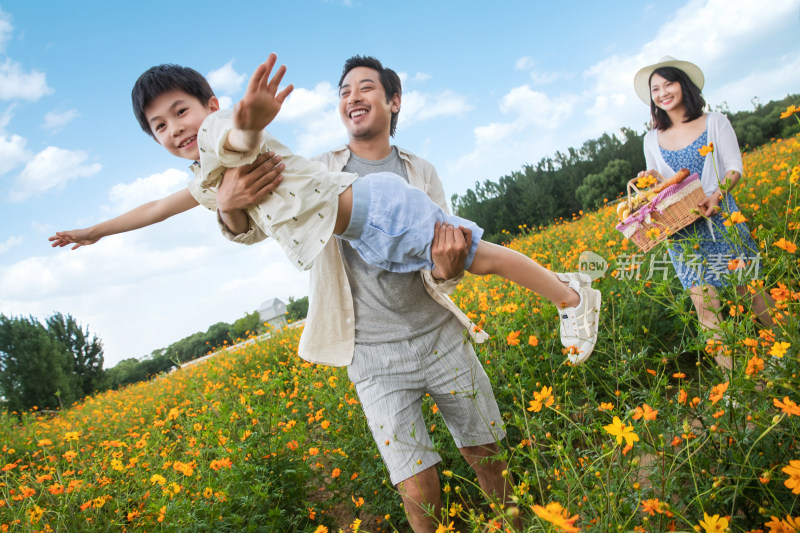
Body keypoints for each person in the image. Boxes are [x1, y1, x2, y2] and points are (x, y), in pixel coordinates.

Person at [50, 54, 601, 364]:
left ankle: (571, 295)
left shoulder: (222, 133)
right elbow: (157, 207)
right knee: (475, 256)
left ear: (210, 107)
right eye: (160, 127)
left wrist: (251, 118)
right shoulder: (204, 179)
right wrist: (97, 231)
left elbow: (239, 142)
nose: (176, 130)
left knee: (480, 256)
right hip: (366, 230)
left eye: (181, 112)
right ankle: (568, 291)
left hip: (378, 210)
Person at [634, 56, 775, 368]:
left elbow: (735, 168)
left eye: (668, 83)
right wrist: (650, 179)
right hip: (682, 234)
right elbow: (659, 186)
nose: (662, 92)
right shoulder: (651, 139)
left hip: (723, 220)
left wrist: (716, 195)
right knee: (705, 308)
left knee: (751, 290)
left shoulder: (715, 122)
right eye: (655, 89)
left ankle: (787, 353)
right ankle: (738, 384)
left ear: (683, 84)